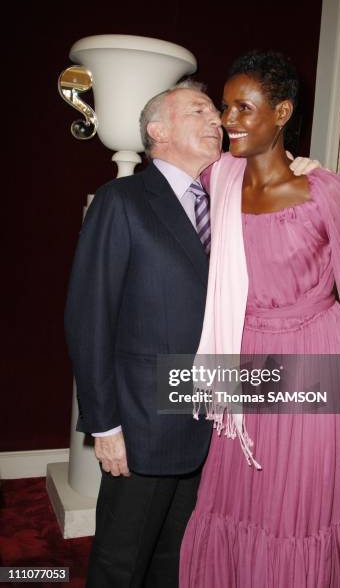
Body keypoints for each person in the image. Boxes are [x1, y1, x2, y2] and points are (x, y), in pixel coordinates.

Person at [64, 78, 316, 587]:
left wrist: (298, 172)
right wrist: (105, 425)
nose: (216, 122)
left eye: (214, 113)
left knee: (176, 559)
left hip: (208, 422)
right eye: (199, 111)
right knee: (120, 562)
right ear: (157, 130)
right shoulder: (123, 200)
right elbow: (88, 318)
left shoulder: (224, 201)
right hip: (142, 423)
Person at [179, 52, 340, 587]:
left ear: (282, 112)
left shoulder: (326, 194)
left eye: (244, 108)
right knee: (235, 497)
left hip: (317, 357)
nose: (229, 120)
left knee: (297, 508)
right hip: (246, 357)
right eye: (227, 107)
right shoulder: (219, 179)